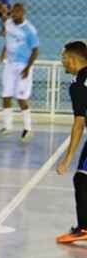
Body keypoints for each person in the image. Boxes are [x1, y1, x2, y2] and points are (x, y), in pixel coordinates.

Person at [55, 41, 87, 244]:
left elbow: (78, 124)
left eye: (65, 59)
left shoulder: (78, 85)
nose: (63, 63)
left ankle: (84, 229)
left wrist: (67, 159)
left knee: (81, 179)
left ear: (74, 60)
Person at [0, 3, 39, 142]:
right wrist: (3, 53)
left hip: (23, 66)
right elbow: (8, 41)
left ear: (23, 13)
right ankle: (7, 127)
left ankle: (28, 128)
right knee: (6, 95)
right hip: (9, 65)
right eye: (12, 12)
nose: (14, 15)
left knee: (21, 98)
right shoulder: (8, 23)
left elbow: (35, 50)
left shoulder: (29, 30)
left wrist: (27, 68)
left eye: (17, 12)